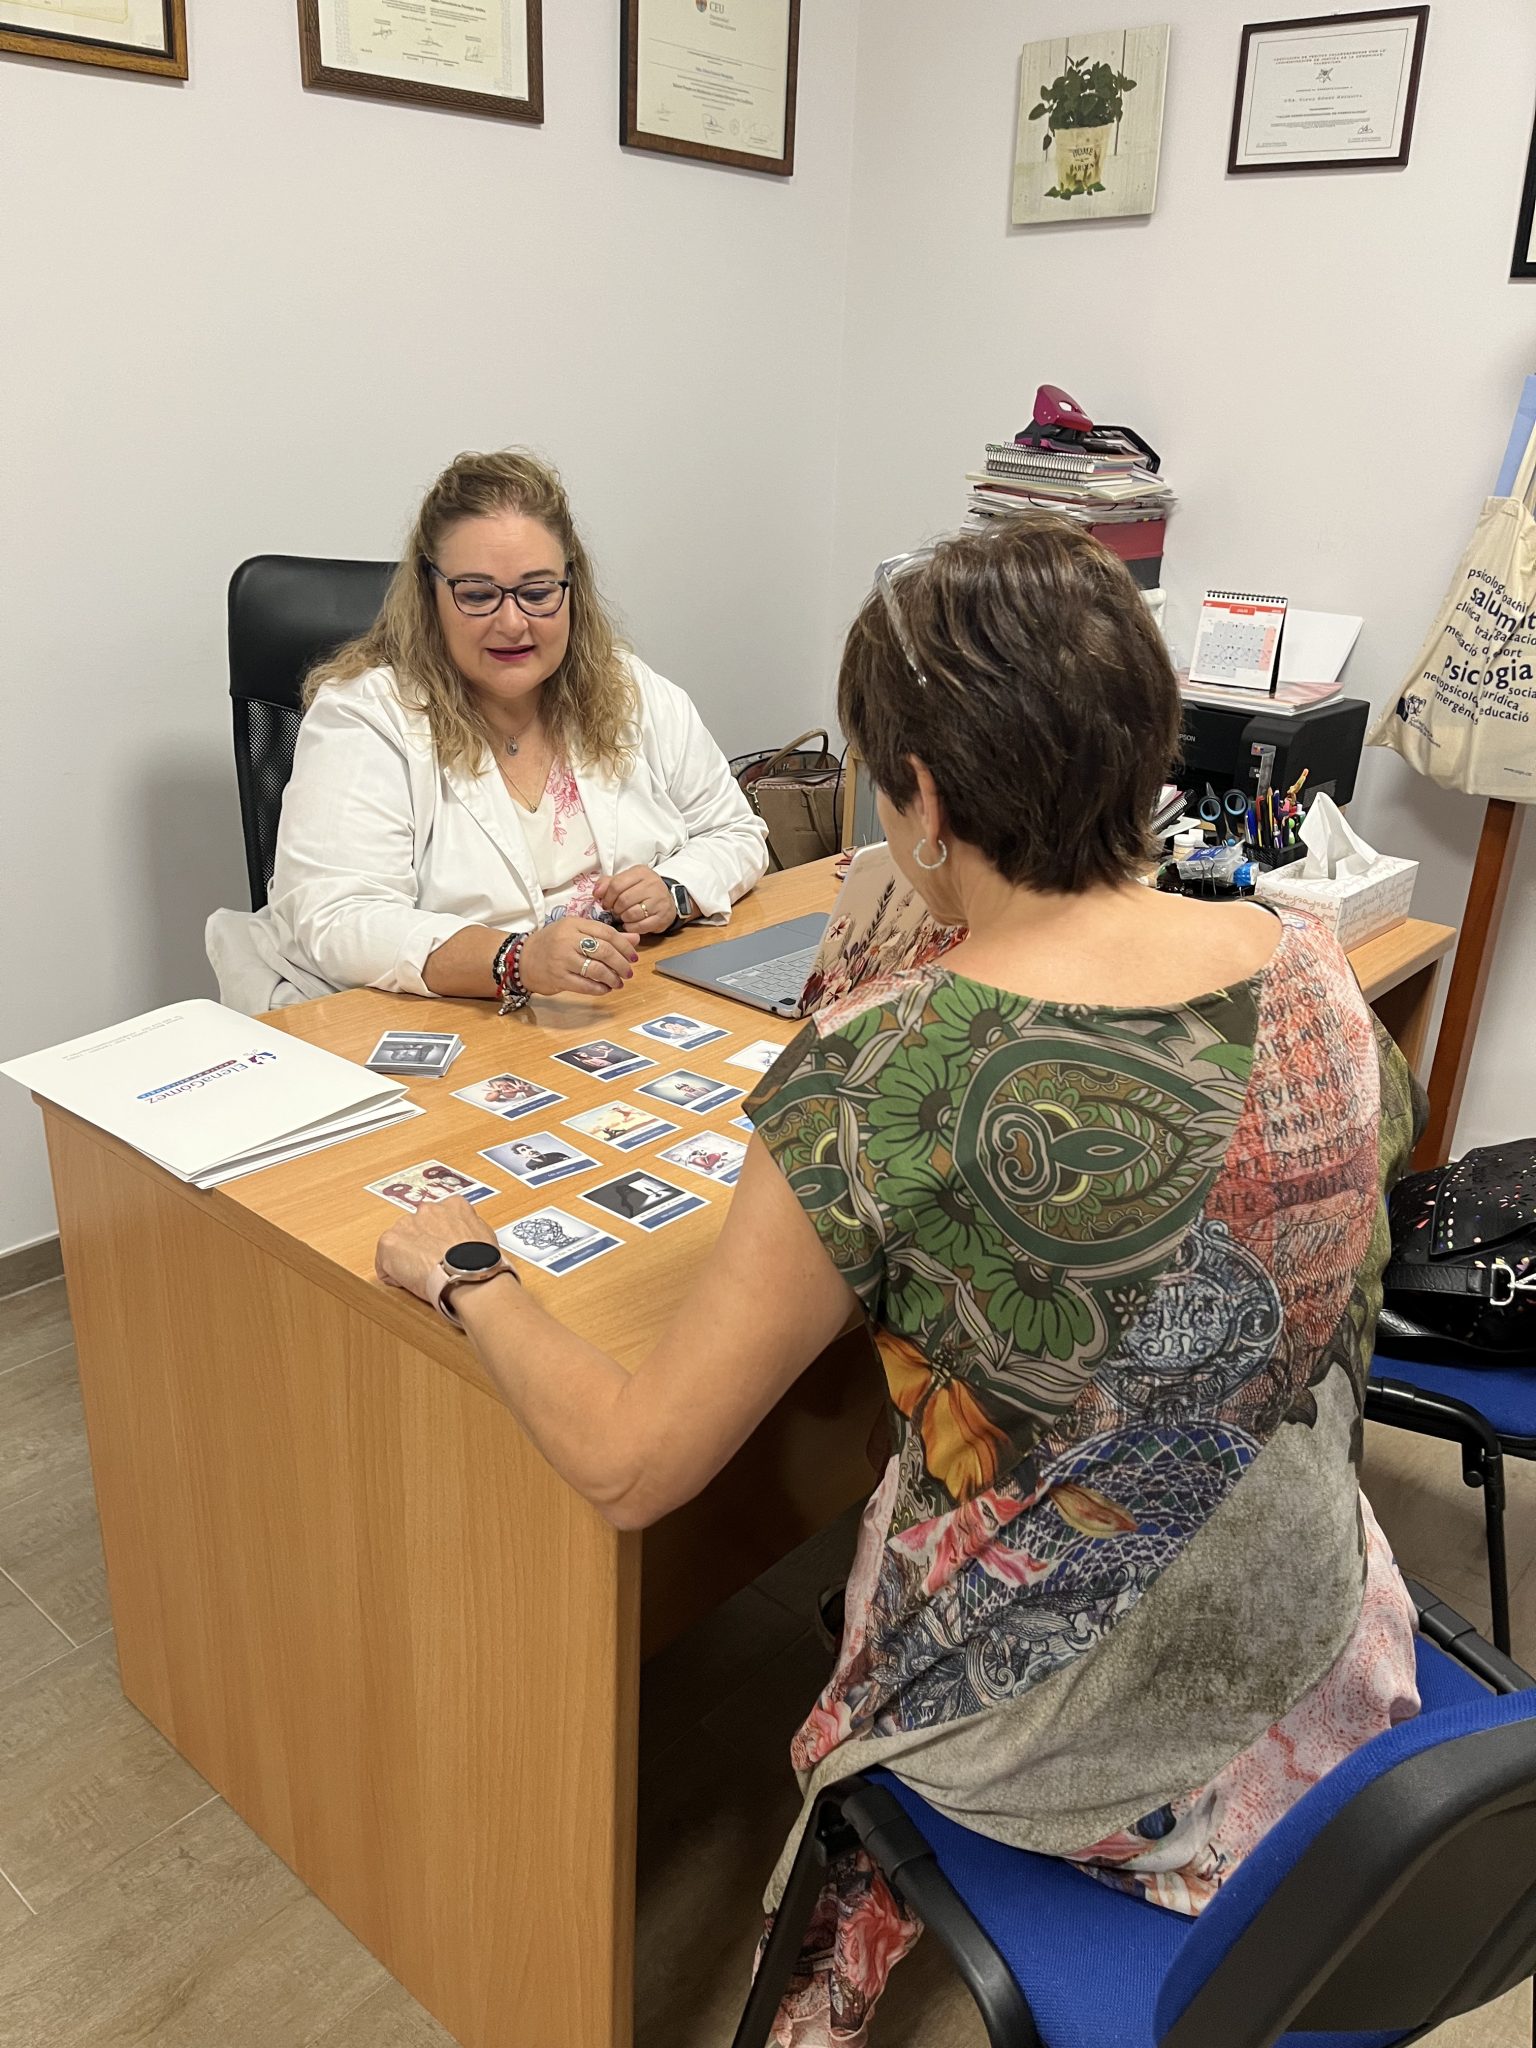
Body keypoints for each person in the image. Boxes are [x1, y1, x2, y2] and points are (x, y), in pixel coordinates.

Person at [373, 516, 1420, 2047]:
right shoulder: (1304, 954)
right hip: (1319, 1617)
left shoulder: (889, 1067)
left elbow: (630, 1464)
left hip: (1073, 1728)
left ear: (918, 797)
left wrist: (468, 1268)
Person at [207, 449, 769, 1013]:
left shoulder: (627, 688)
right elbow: (337, 919)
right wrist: (515, 959)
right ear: (431, 596)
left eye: (537, 591)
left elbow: (737, 832)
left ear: (571, 586)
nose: (512, 622)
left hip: (611, 1011)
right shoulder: (366, 715)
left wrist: (676, 891)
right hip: (427, 1020)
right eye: (477, 594)